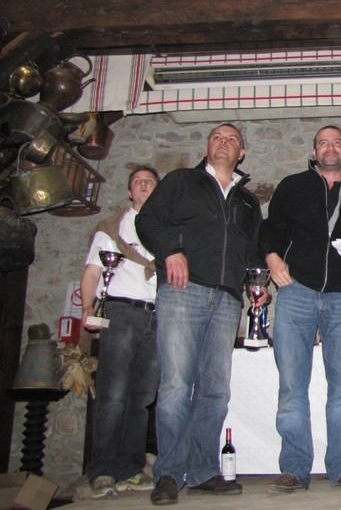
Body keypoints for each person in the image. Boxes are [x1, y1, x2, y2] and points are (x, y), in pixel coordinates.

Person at [136, 123, 265, 505]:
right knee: (176, 387)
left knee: (215, 390)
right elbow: (147, 221)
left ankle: (203, 470)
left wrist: (256, 285)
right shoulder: (180, 182)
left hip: (227, 300)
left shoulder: (248, 202)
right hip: (182, 291)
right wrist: (171, 251)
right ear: (208, 146)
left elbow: (252, 251)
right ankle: (169, 474)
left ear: (241, 152)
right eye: (217, 137)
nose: (224, 142)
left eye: (232, 139)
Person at [259, 125, 341, 493]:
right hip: (295, 291)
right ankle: (294, 469)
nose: (330, 147)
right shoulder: (291, 186)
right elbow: (270, 231)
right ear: (314, 151)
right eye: (323, 142)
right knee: (291, 388)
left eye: (337, 142)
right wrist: (272, 258)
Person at [80, 166, 161, 499]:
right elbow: (92, 272)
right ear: (130, 192)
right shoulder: (112, 228)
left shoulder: (168, 228)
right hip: (120, 312)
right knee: (113, 395)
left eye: (149, 181)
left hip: (157, 316)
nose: (143, 185)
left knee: (142, 398)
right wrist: (88, 308)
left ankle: (130, 469)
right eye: (137, 182)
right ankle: (103, 471)